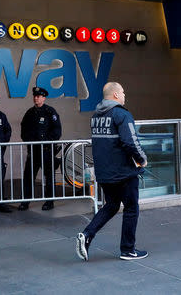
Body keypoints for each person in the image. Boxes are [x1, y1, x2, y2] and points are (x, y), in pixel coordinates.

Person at [76, 82, 148, 261]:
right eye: (123, 92)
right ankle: (128, 250)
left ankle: (87, 235)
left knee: (111, 205)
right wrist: (142, 160)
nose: (125, 95)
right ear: (115, 95)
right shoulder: (122, 114)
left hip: (104, 172)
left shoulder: (95, 116)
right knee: (131, 208)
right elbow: (130, 142)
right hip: (124, 172)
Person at [18, 87, 62, 211]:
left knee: (49, 176)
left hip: (46, 150)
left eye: (39, 96)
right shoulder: (30, 113)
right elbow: (24, 130)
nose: (36, 98)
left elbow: (57, 130)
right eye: (35, 96)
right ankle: (25, 201)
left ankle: (49, 201)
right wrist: (29, 141)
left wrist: (47, 141)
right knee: (28, 176)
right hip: (33, 150)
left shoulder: (50, 111)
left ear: (44, 98)